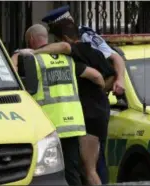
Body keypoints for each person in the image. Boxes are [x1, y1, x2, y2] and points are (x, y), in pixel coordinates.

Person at [11, 24, 106, 186]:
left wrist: (18, 55)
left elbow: (10, 73)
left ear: (31, 40)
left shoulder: (32, 60)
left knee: (43, 174)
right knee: (72, 171)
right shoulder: (68, 59)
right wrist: (102, 91)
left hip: (47, 125)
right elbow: (96, 76)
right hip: (72, 124)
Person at [41, 6, 126, 184]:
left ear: (62, 37)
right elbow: (110, 74)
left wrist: (34, 52)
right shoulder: (93, 52)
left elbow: (97, 76)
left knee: (89, 170)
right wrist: (101, 89)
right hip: (99, 111)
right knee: (91, 166)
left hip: (89, 115)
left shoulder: (75, 52)